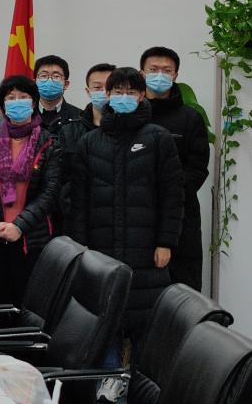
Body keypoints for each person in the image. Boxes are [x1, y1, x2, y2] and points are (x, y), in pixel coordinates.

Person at [68, 66, 182, 382]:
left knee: (147, 318)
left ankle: (142, 383)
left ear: (142, 96)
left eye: (131, 92)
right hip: (101, 246)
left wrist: (166, 242)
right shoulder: (90, 142)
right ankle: (110, 378)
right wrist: (80, 247)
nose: (123, 97)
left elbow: (173, 196)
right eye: (117, 92)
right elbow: (79, 201)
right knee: (106, 315)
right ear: (106, 95)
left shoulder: (158, 138)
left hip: (147, 248)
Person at [0, 75, 62, 316]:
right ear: (3, 105)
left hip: (31, 240)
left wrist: (19, 226)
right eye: (11, 98)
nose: (17, 102)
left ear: (34, 103)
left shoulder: (49, 143)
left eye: (23, 97)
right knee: (0, 307)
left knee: (29, 309)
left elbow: (50, 192)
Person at [140, 46, 210, 292]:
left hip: (181, 218)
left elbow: (198, 169)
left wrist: (168, 194)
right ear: (142, 73)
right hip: (138, 218)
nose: (159, 75)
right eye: (153, 69)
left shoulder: (190, 118)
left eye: (166, 70)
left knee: (183, 291)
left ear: (175, 75)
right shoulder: (132, 116)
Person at [56, 63, 115, 230]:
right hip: (80, 222)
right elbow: (61, 180)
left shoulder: (130, 131)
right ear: (88, 91)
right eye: (97, 87)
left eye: (109, 87)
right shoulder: (69, 131)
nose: (104, 92)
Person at [32, 54, 82, 134]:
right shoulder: (25, 116)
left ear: (66, 84)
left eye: (56, 76)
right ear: (34, 83)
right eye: (43, 76)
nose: (49, 81)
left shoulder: (79, 117)